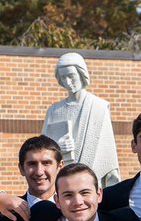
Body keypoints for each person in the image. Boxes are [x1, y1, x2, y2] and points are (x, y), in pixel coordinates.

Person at [41, 52, 121, 186]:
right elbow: (41, 150)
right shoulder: (54, 110)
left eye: (71, 76)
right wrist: (58, 147)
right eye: (63, 77)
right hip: (61, 181)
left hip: (90, 181)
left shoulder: (98, 107)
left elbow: (108, 153)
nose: (68, 82)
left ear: (81, 74)